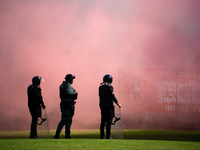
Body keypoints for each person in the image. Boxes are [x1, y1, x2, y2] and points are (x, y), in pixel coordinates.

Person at [54, 74, 78, 139]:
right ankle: (67, 135)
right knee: (68, 120)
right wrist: (75, 92)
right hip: (68, 104)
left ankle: (57, 134)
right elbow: (69, 92)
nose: (73, 80)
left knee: (63, 120)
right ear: (70, 79)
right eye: (72, 79)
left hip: (63, 104)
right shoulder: (68, 85)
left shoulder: (62, 85)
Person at [99, 74, 121, 139]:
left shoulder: (100, 87)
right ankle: (108, 136)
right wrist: (118, 103)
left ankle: (102, 136)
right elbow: (112, 96)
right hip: (109, 107)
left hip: (102, 107)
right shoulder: (109, 87)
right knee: (109, 121)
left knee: (103, 121)